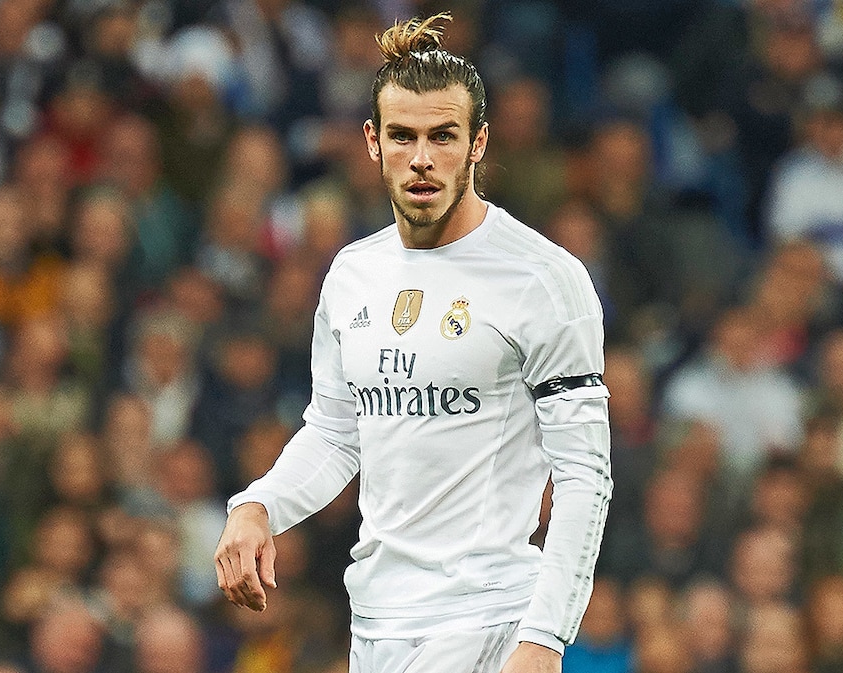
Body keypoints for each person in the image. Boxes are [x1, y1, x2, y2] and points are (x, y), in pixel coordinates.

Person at [214, 13, 612, 673]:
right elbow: (338, 431)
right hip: (377, 620)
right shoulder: (352, 275)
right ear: (372, 141)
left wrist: (544, 636)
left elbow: (584, 474)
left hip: (490, 619)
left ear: (479, 142)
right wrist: (259, 504)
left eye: (442, 136)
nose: (420, 159)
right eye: (401, 136)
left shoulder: (544, 279)